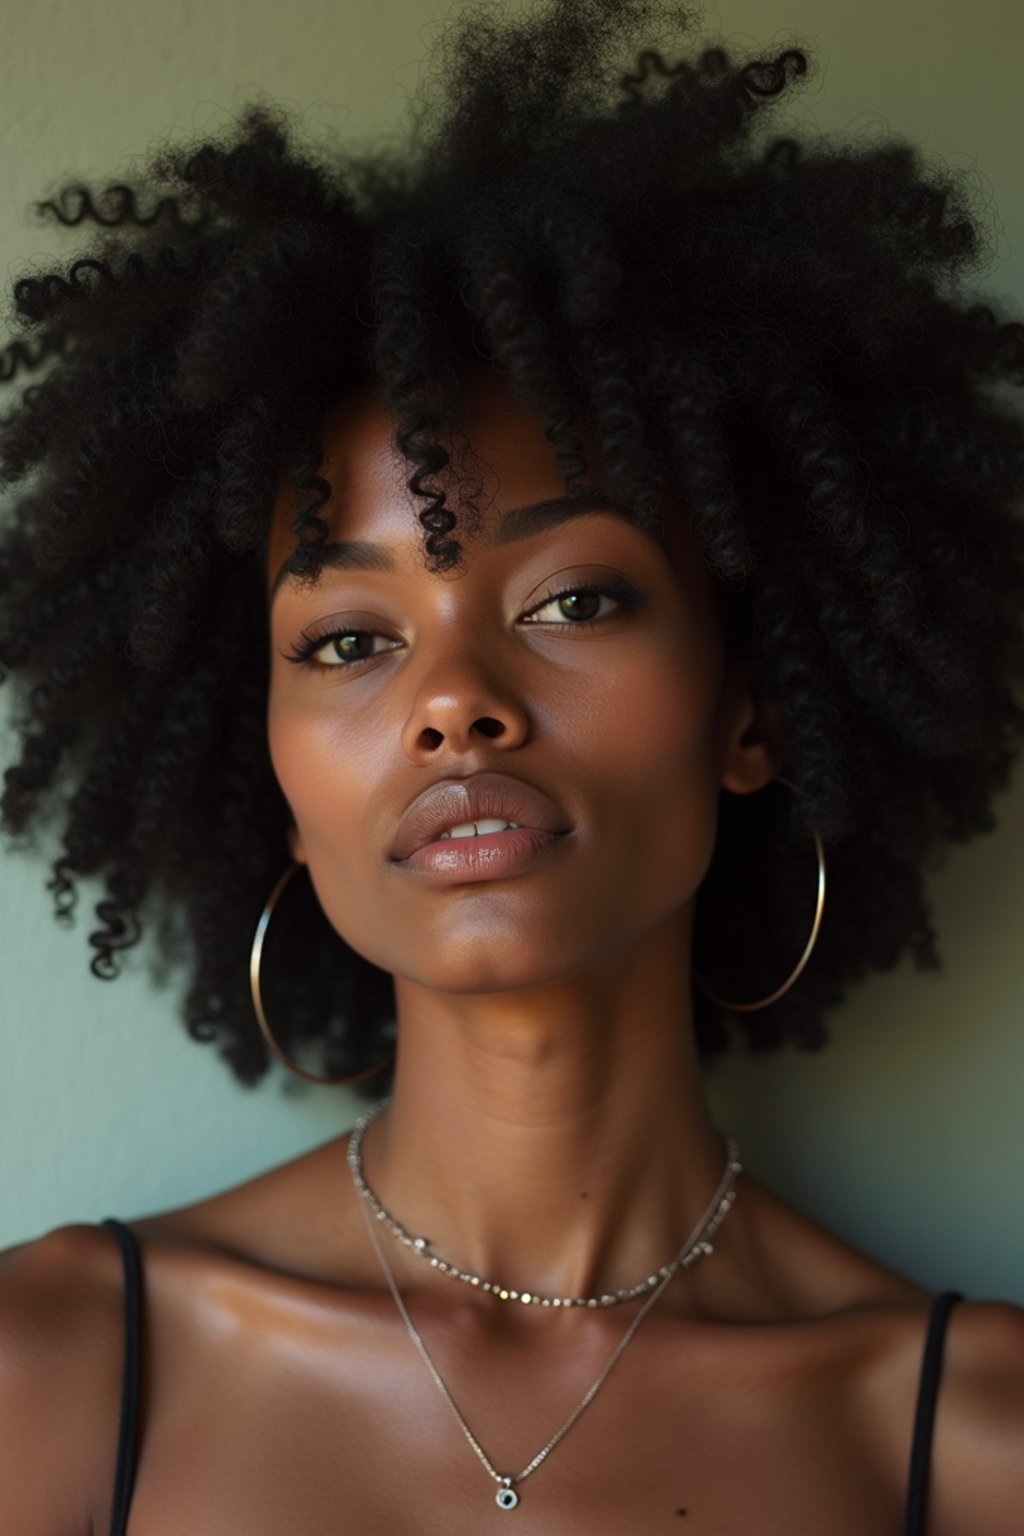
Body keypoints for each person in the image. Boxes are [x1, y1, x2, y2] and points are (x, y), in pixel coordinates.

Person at [1, 1, 1022, 1530]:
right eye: (349, 640)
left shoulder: (966, 1443)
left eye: (576, 601)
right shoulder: (55, 1373)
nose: (454, 704)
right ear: (268, 777)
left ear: (756, 711)